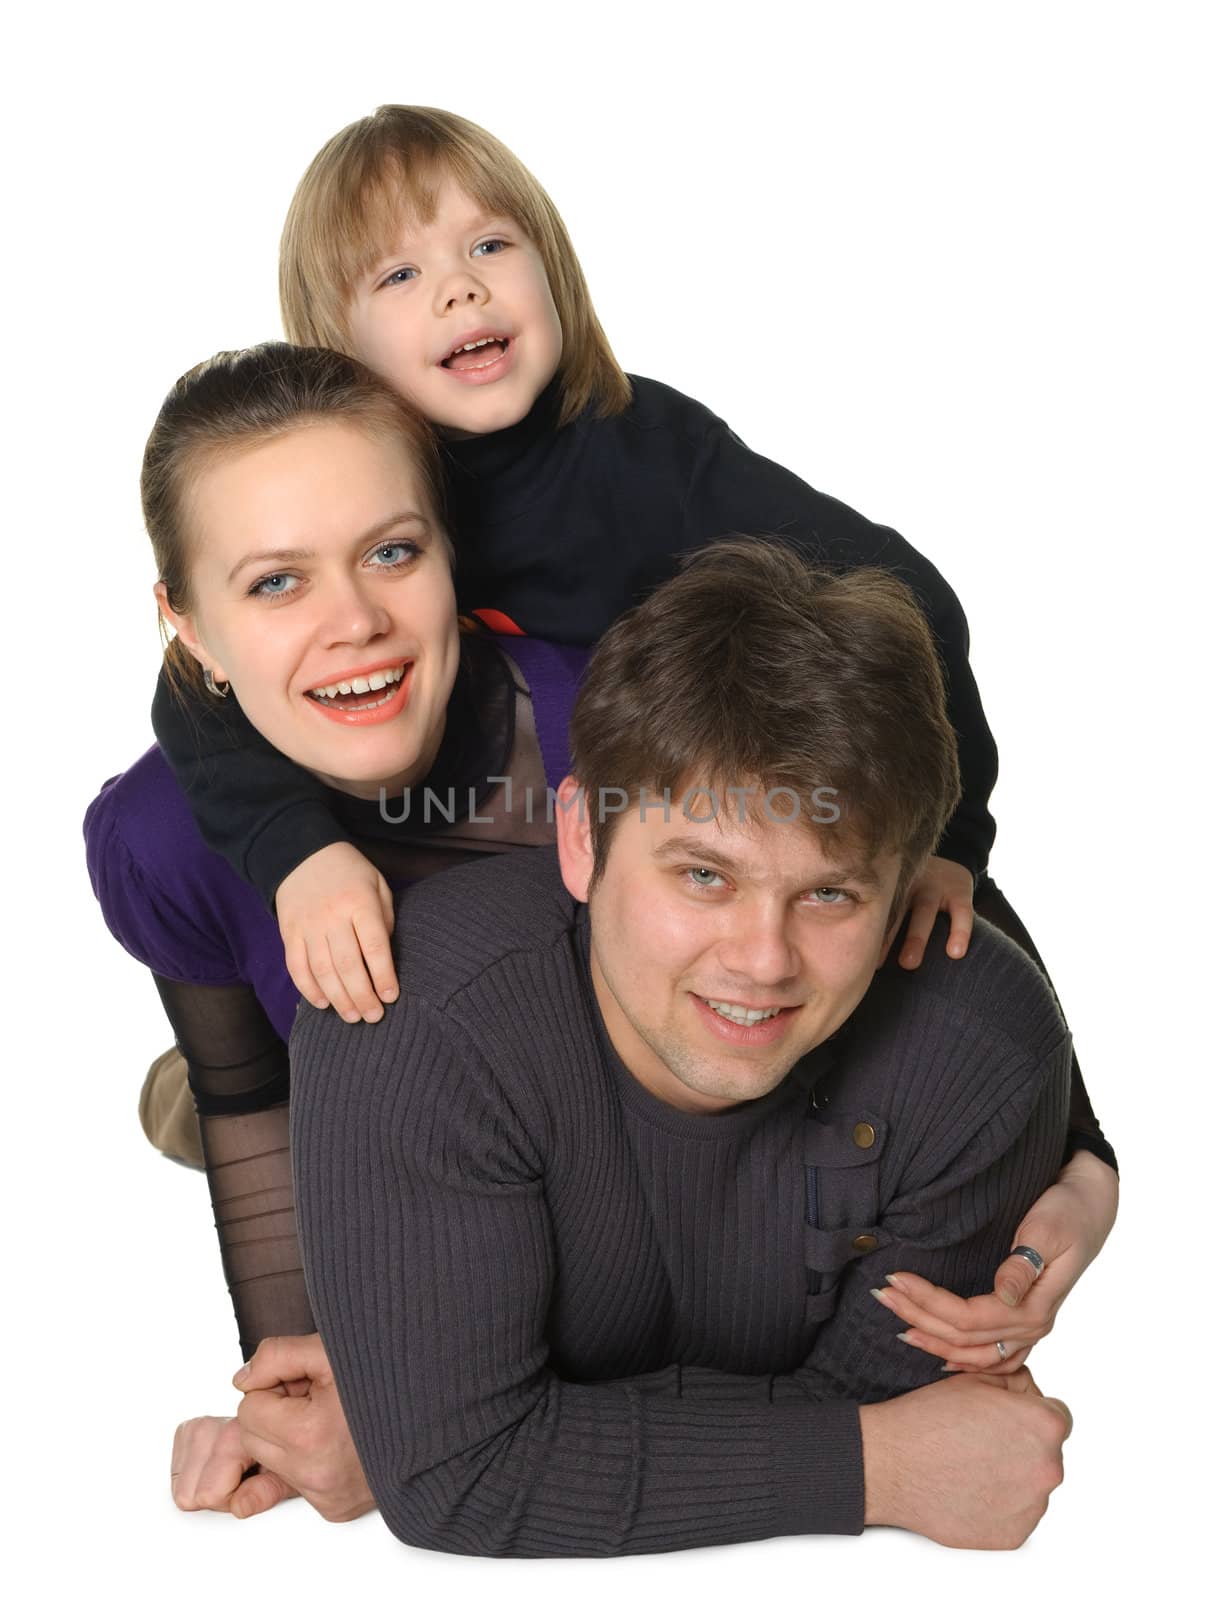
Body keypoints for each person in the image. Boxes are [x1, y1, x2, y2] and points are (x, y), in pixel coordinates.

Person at [202, 540, 1079, 1553]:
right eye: (702, 876)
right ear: (579, 842)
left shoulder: (980, 1053)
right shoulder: (412, 1021)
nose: (761, 960)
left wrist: (464, 1416)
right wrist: (874, 1463)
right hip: (422, 1073)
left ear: (900, 897)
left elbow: (867, 1393)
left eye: (828, 893)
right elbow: (461, 1478)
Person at [86, 341, 585, 1358]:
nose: (355, 620)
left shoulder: (605, 728)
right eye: (275, 584)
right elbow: (248, 1101)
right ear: (187, 628)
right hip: (349, 1125)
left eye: (393, 552)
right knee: (266, 1096)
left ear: (450, 552)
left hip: (589, 1150)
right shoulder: (162, 839)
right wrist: (301, 1370)